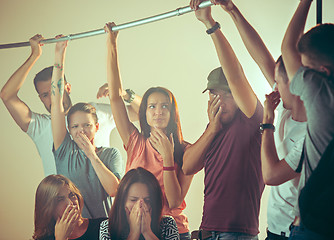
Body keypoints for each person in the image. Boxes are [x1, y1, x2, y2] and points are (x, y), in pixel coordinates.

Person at [205, 1, 307, 239]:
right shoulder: (284, 101)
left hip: (294, 231)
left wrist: (268, 124)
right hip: (274, 227)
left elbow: (271, 175)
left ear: (296, 85)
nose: (274, 85)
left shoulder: (311, 133)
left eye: (278, 81)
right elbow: (260, 55)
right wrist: (231, 10)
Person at [0, 34, 140, 176]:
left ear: (68, 88)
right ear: (40, 98)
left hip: (103, 195)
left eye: (55, 90)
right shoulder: (39, 126)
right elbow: (7, 95)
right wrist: (34, 55)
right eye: (45, 95)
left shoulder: (95, 112)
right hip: (61, 197)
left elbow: (143, 113)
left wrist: (124, 94)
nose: (52, 97)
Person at [104, 22, 193, 240]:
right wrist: (112, 43)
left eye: (165, 106)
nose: (158, 111)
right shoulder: (135, 141)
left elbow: (173, 202)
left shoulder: (186, 150)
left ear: (173, 112)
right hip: (131, 228)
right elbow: (115, 96)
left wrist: (168, 157)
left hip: (172, 231)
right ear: (144, 112)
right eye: (152, 106)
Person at [183, 1, 264, 239]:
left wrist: (210, 24)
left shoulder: (251, 118)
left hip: (238, 234)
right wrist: (212, 130)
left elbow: (236, 74)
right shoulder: (213, 128)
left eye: (226, 94)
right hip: (207, 232)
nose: (219, 100)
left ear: (238, 96)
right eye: (213, 94)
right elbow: (188, 167)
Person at [281, 0, 334, 239]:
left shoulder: (321, 92)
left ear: (322, 71)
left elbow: (288, 49)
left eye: (307, 68)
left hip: (314, 227)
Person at [50, 35, 124, 219]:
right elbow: (56, 101)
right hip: (71, 228)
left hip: (103, 230)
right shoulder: (64, 150)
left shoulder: (110, 154)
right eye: (75, 126)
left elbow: (114, 190)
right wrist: (59, 53)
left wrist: (91, 155)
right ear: (68, 129)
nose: (80, 130)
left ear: (96, 127)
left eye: (86, 125)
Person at [99, 167, 180, 240]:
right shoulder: (108, 227)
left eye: (147, 200)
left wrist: (147, 232)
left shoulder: (167, 224)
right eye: (133, 200)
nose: (140, 206)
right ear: (122, 201)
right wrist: (134, 233)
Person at [32, 174, 105, 240]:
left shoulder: (104, 227)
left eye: (72, 195)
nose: (70, 203)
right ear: (48, 208)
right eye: (60, 200)